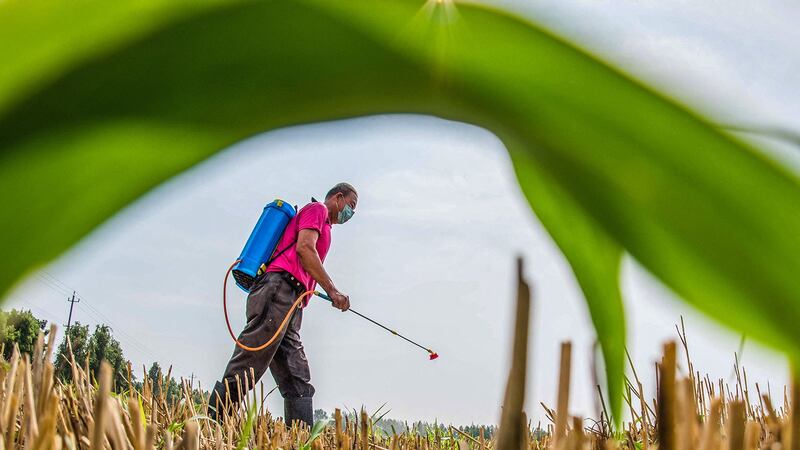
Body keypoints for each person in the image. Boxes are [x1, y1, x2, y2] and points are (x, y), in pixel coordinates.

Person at [209, 182, 358, 426]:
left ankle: (300, 439)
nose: (351, 214)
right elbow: (304, 248)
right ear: (338, 198)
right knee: (251, 359)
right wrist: (332, 290)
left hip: (292, 302)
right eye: (350, 206)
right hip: (279, 290)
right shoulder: (317, 210)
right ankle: (212, 423)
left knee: (297, 376)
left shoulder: (326, 224)